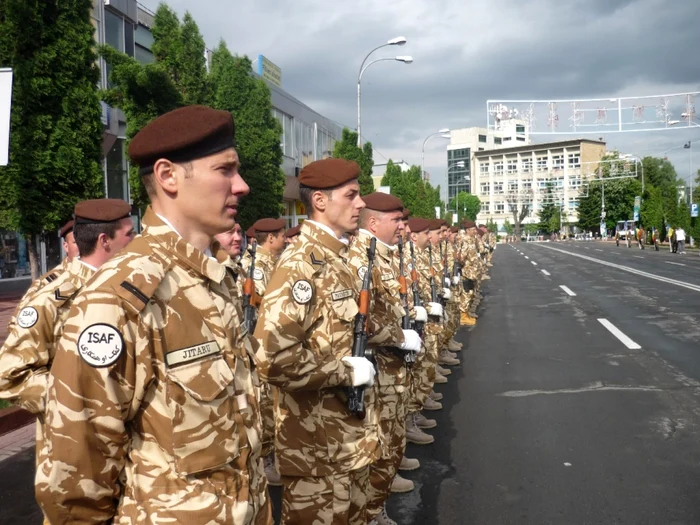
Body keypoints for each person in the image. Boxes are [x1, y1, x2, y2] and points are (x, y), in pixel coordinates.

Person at [39, 105, 272, 525]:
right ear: (168, 177)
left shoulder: (211, 277)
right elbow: (75, 472)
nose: (242, 185)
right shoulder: (123, 294)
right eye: (226, 170)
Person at [254, 158, 378, 525]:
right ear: (320, 201)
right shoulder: (301, 266)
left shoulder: (334, 258)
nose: (360, 204)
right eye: (352, 195)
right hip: (316, 450)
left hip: (344, 442)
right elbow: (272, 358)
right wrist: (344, 372)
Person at [0, 199, 134, 524]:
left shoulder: (129, 290)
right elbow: (11, 375)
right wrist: (75, 398)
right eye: (131, 234)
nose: (137, 240)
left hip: (128, 452)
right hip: (75, 457)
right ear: (105, 241)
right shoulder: (52, 298)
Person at [345, 192, 422, 524]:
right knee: (376, 451)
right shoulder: (362, 258)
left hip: (392, 370)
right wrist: (399, 336)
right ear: (374, 224)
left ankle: (376, 508)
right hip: (377, 370)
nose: (402, 226)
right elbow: (358, 320)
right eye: (396, 220)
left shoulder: (384, 255)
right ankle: (373, 512)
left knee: (389, 444)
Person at [241, 217, 287, 487]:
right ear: (270, 238)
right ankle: (266, 462)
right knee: (266, 409)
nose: (283, 239)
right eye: (281, 235)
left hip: (273, 342)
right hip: (261, 344)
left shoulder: (272, 262)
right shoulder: (256, 266)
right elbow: (258, 302)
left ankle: (272, 457)